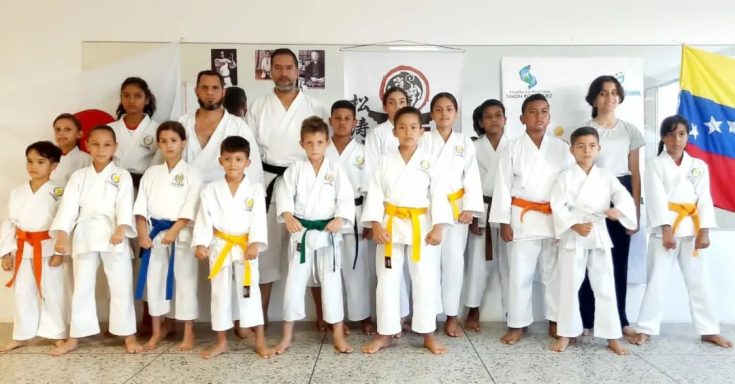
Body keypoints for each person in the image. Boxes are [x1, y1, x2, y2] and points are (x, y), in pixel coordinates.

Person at [631, 115, 732, 348]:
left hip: (692, 229)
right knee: (657, 280)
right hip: (665, 230)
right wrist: (666, 229)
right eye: (672, 134)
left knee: (700, 281)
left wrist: (704, 231)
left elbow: (705, 199)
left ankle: (709, 329)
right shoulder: (655, 165)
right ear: (663, 138)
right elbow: (656, 199)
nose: (677, 139)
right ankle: (646, 328)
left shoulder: (698, 166)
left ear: (688, 136)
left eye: (682, 134)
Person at [246, 48, 329, 326]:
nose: (284, 73)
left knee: (312, 247)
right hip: (268, 181)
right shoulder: (258, 106)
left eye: (289, 67)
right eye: (278, 68)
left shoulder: (315, 106)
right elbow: (252, 152)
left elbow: (321, 150)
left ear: (298, 70)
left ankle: (323, 316)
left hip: (305, 184)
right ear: (270, 71)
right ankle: (260, 316)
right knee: (266, 251)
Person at [362, 106, 452, 355]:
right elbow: (375, 194)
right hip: (390, 225)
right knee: (387, 281)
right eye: (402, 127)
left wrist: (438, 226)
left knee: (425, 280)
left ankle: (428, 334)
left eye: (413, 127)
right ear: (394, 132)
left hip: (421, 226)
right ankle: (386, 333)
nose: (408, 132)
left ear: (422, 131)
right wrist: (376, 224)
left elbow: (438, 196)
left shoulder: (430, 162)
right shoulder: (384, 162)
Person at [49, 125, 141, 356]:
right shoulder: (79, 177)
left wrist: (121, 228)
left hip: (113, 234)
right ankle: (75, 337)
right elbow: (68, 207)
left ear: (115, 147)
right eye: (96, 144)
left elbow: (124, 205)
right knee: (82, 287)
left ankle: (128, 335)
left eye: (107, 144)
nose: (101, 149)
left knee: (121, 286)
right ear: (88, 146)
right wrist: (62, 234)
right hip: (85, 234)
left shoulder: (122, 176)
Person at [489, 94, 573, 345]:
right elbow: (502, 186)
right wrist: (504, 222)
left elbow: (568, 187)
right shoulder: (512, 147)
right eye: (533, 112)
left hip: (552, 217)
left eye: (544, 111)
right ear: (522, 118)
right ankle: (517, 324)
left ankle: (556, 319)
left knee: (553, 273)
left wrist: (566, 220)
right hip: (521, 218)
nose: (539, 116)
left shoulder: (561, 148)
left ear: (549, 116)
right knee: (520, 274)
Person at [566, 76, 644, 338]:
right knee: (586, 259)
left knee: (617, 262)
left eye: (614, 92)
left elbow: (634, 172)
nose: (609, 97)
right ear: (594, 98)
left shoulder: (630, 131)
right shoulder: (585, 128)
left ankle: (620, 320)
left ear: (620, 97)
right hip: (590, 193)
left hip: (619, 193)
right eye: (603, 93)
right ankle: (586, 320)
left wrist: (634, 211)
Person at [550, 127, 637, 355]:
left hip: (597, 232)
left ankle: (612, 336)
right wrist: (573, 224)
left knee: (605, 284)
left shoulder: (606, 176)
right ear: (571, 150)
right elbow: (557, 205)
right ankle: (566, 333)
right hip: (575, 232)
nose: (586, 151)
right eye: (580, 146)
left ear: (599, 148)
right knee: (569, 284)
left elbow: (622, 196)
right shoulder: (565, 176)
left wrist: (619, 210)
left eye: (591, 146)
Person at [275, 116, 355, 354]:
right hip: (302, 233)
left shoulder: (336, 170)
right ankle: (287, 335)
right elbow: (285, 196)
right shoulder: (295, 170)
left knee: (332, 284)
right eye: (309, 143)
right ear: (302, 144)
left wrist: (340, 218)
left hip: (328, 234)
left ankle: (338, 335)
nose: (314, 148)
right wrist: (288, 216)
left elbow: (345, 198)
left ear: (327, 142)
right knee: (294, 283)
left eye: (319, 142)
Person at [191, 136, 276, 359]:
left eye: (238, 159)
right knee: (219, 293)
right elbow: (204, 218)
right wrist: (201, 242)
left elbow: (259, 218)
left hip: (245, 246)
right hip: (220, 246)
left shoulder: (255, 189)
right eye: (228, 159)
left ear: (248, 162)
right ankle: (221, 342)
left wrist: (256, 243)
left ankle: (259, 340)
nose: (233, 164)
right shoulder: (210, 190)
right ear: (220, 161)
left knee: (250, 292)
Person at [132, 121, 202, 351]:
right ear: (159, 144)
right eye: (164, 141)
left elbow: (191, 205)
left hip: (181, 235)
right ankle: (155, 332)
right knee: (154, 282)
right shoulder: (152, 173)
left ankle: (188, 333)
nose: (169, 145)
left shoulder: (193, 173)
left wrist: (174, 231)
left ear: (183, 143)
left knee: (185, 281)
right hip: (154, 235)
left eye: (174, 140)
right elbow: (140, 206)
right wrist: (142, 233)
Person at [421, 93, 483, 337]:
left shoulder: (464, 142)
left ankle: (451, 316)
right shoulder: (423, 139)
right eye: (438, 109)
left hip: (457, 209)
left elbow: (472, 177)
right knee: (428, 264)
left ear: (456, 113)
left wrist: (470, 207)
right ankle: (428, 316)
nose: (444, 113)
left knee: (454, 263)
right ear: (432, 114)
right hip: (428, 210)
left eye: (449, 109)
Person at [0, 141, 66, 353]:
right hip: (22, 248)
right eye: (30, 161)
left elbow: (64, 222)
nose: (33, 166)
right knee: (22, 292)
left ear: (54, 165)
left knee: (52, 291)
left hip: (47, 246)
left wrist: (59, 251)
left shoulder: (58, 191)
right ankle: (22, 335)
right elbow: (9, 223)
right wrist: (5, 252)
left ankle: (56, 333)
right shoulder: (18, 192)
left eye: (40, 161)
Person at [363, 86, 411, 330]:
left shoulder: (417, 135)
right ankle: (389, 322)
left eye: (402, 101)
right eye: (392, 102)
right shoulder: (377, 135)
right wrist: (374, 219)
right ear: (385, 107)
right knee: (387, 271)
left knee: (413, 272)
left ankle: (407, 316)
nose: (397, 106)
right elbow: (371, 177)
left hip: (414, 214)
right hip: (386, 211)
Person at [326, 100, 375, 335]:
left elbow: (369, 190)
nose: (342, 122)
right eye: (337, 118)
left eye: (347, 118)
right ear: (330, 121)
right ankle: (334, 318)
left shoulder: (363, 152)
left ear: (355, 123)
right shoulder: (321, 150)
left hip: (355, 217)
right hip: (327, 217)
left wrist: (368, 220)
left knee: (358, 270)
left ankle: (363, 317)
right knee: (330, 271)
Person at [463, 99, 509, 332]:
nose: (494, 119)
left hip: (507, 211)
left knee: (512, 265)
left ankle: (514, 311)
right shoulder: (472, 146)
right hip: (481, 208)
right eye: (488, 116)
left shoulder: (514, 146)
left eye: (498, 115)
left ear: (505, 119)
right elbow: (467, 182)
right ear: (480, 122)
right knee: (477, 264)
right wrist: (471, 214)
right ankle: (473, 308)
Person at [179, 70, 263, 185]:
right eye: (204, 87)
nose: (210, 92)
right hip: (185, 193)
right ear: (196, 91)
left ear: (223, 92)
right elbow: (163, 165)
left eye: (215, 88)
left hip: (225, 196)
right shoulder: (182, 124)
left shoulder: (239, 127)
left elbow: (253, 171)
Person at [108, 77, 160, 189]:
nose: (131, 101)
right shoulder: (108, 129)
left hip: (144, 186)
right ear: (121, 99)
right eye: (126, 96)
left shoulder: (158, 130)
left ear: (146, 100)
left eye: (137, 96)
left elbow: (161, 163)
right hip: (113, 184)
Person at [50, 113, 91, 186]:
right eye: (58, 130)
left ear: (79, 134)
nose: (61, 133)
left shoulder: (87, 160)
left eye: (67, 129)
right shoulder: (47, 158)